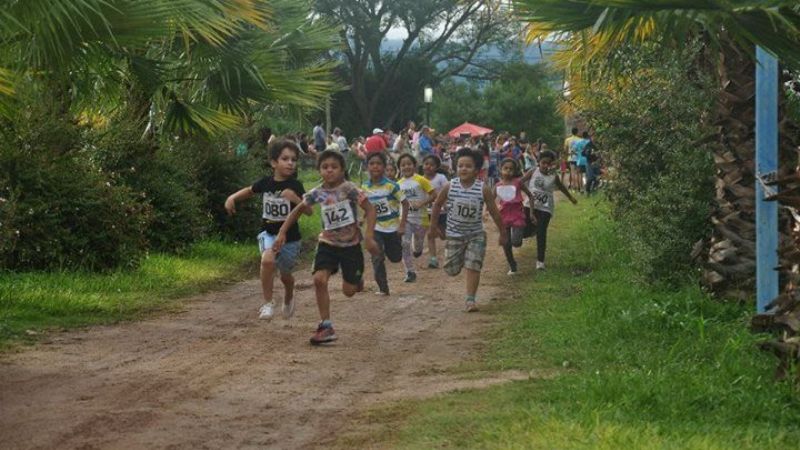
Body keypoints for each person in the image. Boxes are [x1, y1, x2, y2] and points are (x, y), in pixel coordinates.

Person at [275, 150, 378, 345]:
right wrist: (282, 232)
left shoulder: (349, 189)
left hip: (351, 245)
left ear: (342, 170)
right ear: (319, 170)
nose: (329, 170)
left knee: (349, 291)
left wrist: (370, 236)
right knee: (319, 280)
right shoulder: (317, 193)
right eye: (325, 167)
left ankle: (356, 280)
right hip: (327, 243)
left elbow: (370, 210)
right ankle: (326, 326)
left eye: (334, 167)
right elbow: (297, 211)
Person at [224, 139, 309, 320]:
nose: (290, 163)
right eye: (285, 159)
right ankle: (268, 303)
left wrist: (295, 198)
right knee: (267, 260)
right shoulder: (266, 183)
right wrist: (232, 198)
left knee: (285, 275)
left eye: (293, 159)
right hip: (268, 233)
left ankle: (289, 293)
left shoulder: (296, 185)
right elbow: (249, 190)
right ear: (273, 162)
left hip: (290, 238)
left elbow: (309, 211)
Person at [430, 147, 507, 312]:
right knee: (451, 270)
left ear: (477, 170)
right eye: (460, 166)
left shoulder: (483, 189)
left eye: (468, 166)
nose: (463, 169)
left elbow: (494, 212)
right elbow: (437, 205)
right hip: (454, 235)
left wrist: (503, 232)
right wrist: (433, 227)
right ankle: (463, 258)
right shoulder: (450, 186)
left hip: (475, 235)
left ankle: (470, 300)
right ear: (455, 168)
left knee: (473, 265)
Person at [362, 152, 409, 295]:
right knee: (377, 257)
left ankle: (399, 247)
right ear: (367, 167)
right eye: (372, 164)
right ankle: (383, 288)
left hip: (393, 228)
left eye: (378, 164)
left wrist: (402, 225)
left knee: (395, 257)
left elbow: (405, 203)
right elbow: (368, 206)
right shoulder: (364, 187)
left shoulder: (391, 186)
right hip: (375, 228)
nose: (375, 166)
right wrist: (363, 218)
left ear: (384, 167)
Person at [521, 150, 578, 270]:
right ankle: (533, 230)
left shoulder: (553, 176)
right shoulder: (533, 171)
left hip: (545, 208)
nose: (546, 166)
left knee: (542, 233)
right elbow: (520, 183)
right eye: (543, 163)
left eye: (549, 163)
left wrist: (571, 198)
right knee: (525, 231)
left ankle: (540, 261)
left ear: (552, 164)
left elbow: (561, 187)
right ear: (539, 162)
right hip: (529, 206)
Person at [397, 153, 435, 283]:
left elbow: (434, 195)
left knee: (417, 246)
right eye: (403, 165)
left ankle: (418, 249)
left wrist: (422, 203)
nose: (406, 167)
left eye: (409, 164)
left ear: (414, 166)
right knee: (404, 244)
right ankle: (410, 271)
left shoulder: (421, 180)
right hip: (405, 219)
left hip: (421, 219)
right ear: (399, 168)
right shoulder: (398, 184)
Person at [495, 158, 535, 275]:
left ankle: (527, 231)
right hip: (503, 217)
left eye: (511, 169)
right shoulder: (497, 185)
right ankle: (512, 265)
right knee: (506, 243)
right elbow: (490, 200)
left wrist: (531, 213)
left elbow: (530, 196)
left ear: (515, 171)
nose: (508, 171)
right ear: (501, 170)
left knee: (516, 242)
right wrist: (487, 211)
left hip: (517, 215)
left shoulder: (518, 183)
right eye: (505, 168)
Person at [422, 155, 448, 269]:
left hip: (441, 212)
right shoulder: (420, 179)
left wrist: (446, 203)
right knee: (430, 234)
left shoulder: (441, 178)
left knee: (444, 235)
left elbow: (447, 190)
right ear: (422, 165)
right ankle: (433, 258)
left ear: (437, 167)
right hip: (427, 212)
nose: (428, 166)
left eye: (431, 165)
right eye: (426, 164)